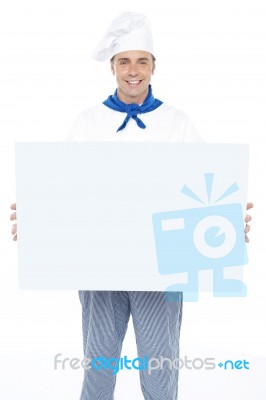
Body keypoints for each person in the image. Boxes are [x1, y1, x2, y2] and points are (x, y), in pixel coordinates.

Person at [10, 12, 254, 400]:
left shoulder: (178, 124)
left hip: (161, 270)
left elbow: (207, 188)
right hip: (97, 265)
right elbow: (64, 187)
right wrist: (39, 216)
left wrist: (227, 217)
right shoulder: (88, 122)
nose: (133, 70)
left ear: (154, 67)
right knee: (99, 367)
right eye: (125, 61)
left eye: (142, 60)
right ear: (112, 67)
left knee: (160, 369)